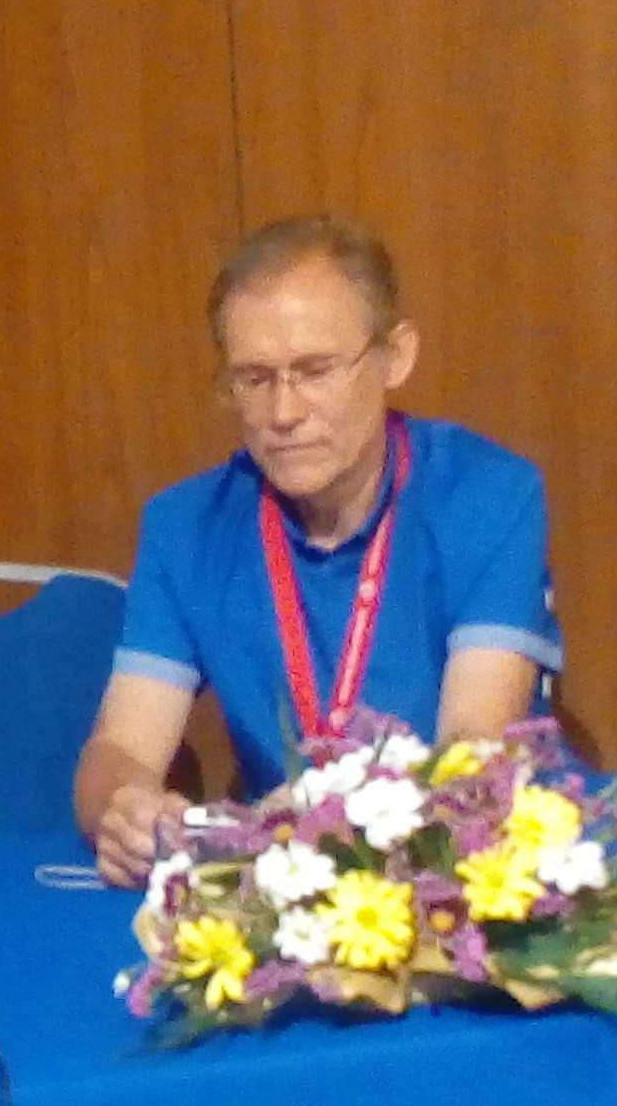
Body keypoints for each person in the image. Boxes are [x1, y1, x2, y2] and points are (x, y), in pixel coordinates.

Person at [73, 216, 561, 886]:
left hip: (469, 878)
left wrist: (335, 812)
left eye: (315, 371)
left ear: (395, 357)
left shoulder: (488, 496)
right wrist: (124, 811)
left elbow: (472, 751)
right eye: (254, 378)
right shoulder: (185, 527)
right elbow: (120, 747)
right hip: (287, 888)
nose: (283, 413)